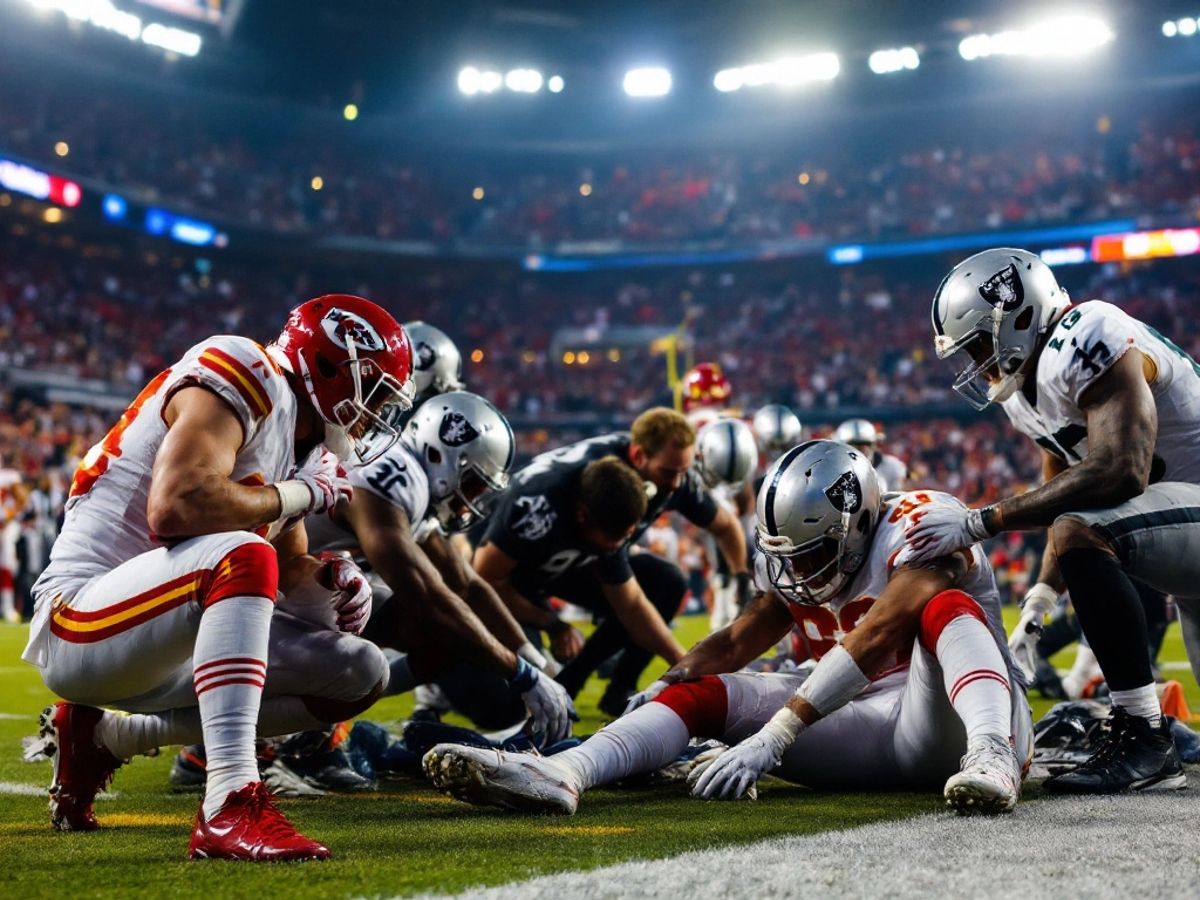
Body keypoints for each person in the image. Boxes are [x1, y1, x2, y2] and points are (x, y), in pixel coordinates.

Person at [424, 441, 1031, 815]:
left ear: (861, 523)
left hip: (952, 720)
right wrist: (672, 680)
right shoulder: (793, 557)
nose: (796, 571)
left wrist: (778, 733)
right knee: (702, 693)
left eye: (812, 553)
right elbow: (741, 638)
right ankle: (563, 774)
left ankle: (993, 756)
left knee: (940, 609)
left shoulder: (920, 525)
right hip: (865, 729)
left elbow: (877, 633)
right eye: (786, 555)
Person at [21, 295, 414, 860]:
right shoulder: (249, 370)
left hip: (169, 638)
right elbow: (177, 506)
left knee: (359, 671)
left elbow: (286, 567)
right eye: (370, 388)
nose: (374, 410)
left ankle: (106, 737)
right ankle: (229, 799)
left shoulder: (307, 451)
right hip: (82, 617)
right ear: (327, 365)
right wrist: (301, 495)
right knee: (240, 554)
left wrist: (332, 581)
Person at [903, 246, 1198, 793]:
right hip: (1185, 538)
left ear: (1018, 316)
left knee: (1085, 528)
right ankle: (1154, 737)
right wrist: (1037, 610)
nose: (977, 364)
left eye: (980, 345)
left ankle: (1144, 737)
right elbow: (1061, 496)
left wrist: (979, 522)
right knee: (1079, 524)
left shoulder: (1089, 330)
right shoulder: (1026, 394)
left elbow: (1121, 471)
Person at [475, 408, 751, 715]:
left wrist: (739, 576)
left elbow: (632, 602)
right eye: (668, 472)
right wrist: (551, 624)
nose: (676, 484)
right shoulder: (558, 497)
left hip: (574, 561)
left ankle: (606, 685)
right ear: (638, 456)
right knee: (505, 705)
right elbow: (483, 578)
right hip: (511, 576)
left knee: (664, 583)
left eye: (682, 472)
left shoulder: (662, 481)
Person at [833, 418, 908, 493]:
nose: (858, 452)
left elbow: (899, 500)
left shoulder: (892, 467)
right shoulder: (831, 470)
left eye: (863, 446)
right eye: (852, 447)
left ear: (873, 446)